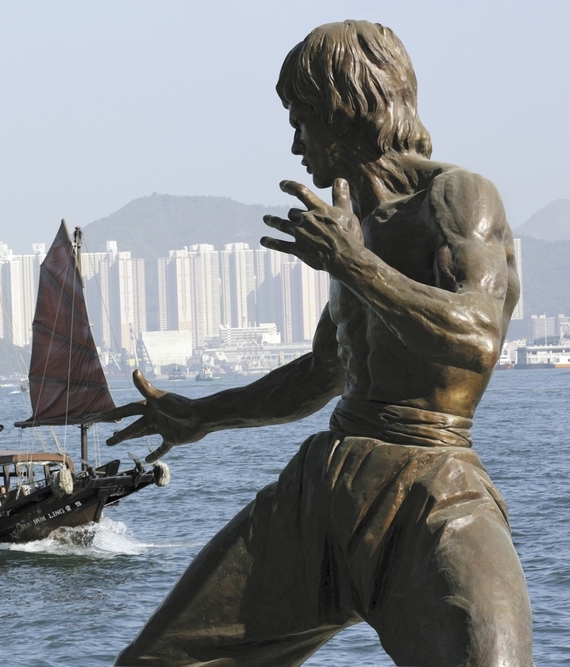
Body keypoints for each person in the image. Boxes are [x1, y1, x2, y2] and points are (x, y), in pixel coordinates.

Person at [104, 21, 532, 666]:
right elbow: (324, 372)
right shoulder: (353, 225)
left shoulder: (456, 196)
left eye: (301, 119)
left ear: (345, 109)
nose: (296, 143)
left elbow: (476, 337)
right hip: (324, 487)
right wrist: (201, 415)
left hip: (432, 486)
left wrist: (352, 264)